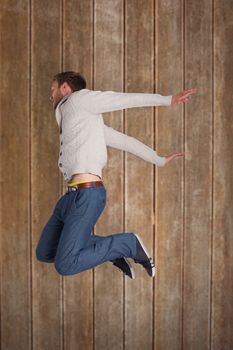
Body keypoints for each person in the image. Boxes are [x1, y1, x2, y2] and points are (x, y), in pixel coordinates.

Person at [36, 71, 197, 279]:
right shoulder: (82, 121)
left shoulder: (79, 100)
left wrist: (166, 100)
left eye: (53, 89)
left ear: (65, 88)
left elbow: (122, 99)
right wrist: (158, 159)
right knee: (45, 252)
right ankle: (111, 251)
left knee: (65, 265)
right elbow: (125, 141)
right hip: (70, 197)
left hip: (87, 195)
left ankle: (127, 244)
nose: (51, 95)